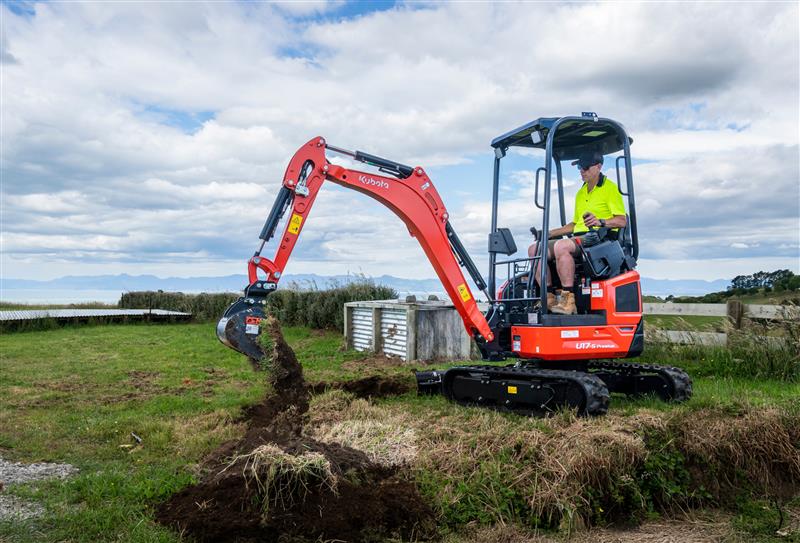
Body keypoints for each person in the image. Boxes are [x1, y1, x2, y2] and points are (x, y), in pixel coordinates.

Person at [527, 150, 627, 315]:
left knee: (561, 247)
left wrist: (600, 222)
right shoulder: (581, 192)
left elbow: (621, 220)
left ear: (598, 167)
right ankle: (549, 296)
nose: (582, 170)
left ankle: (568, 300)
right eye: (580, 167)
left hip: (600, 238)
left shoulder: (610, 189)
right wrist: (548, 233)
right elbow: (574, 225)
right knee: (535, 249)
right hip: (580, 236)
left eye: (585, 167)